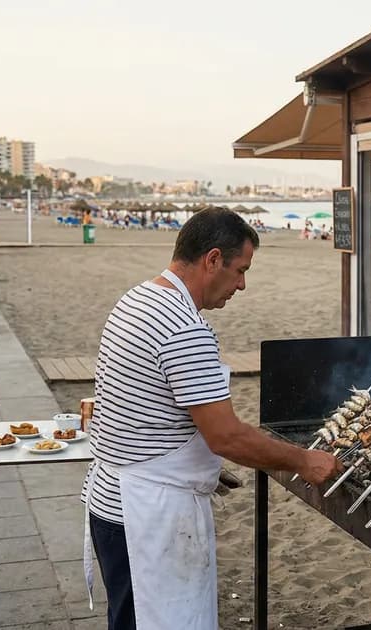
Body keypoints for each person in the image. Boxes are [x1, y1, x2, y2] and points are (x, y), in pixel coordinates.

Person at [81, 208, 340, 630]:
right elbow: (226, 437)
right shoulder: (184, 328)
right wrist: (303, 460)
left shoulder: (138, 298)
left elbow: (139, 407)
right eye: (240, 270)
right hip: (149, 516)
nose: (242, 284)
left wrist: (197, 465)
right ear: (213, 259)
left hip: (111, 502)